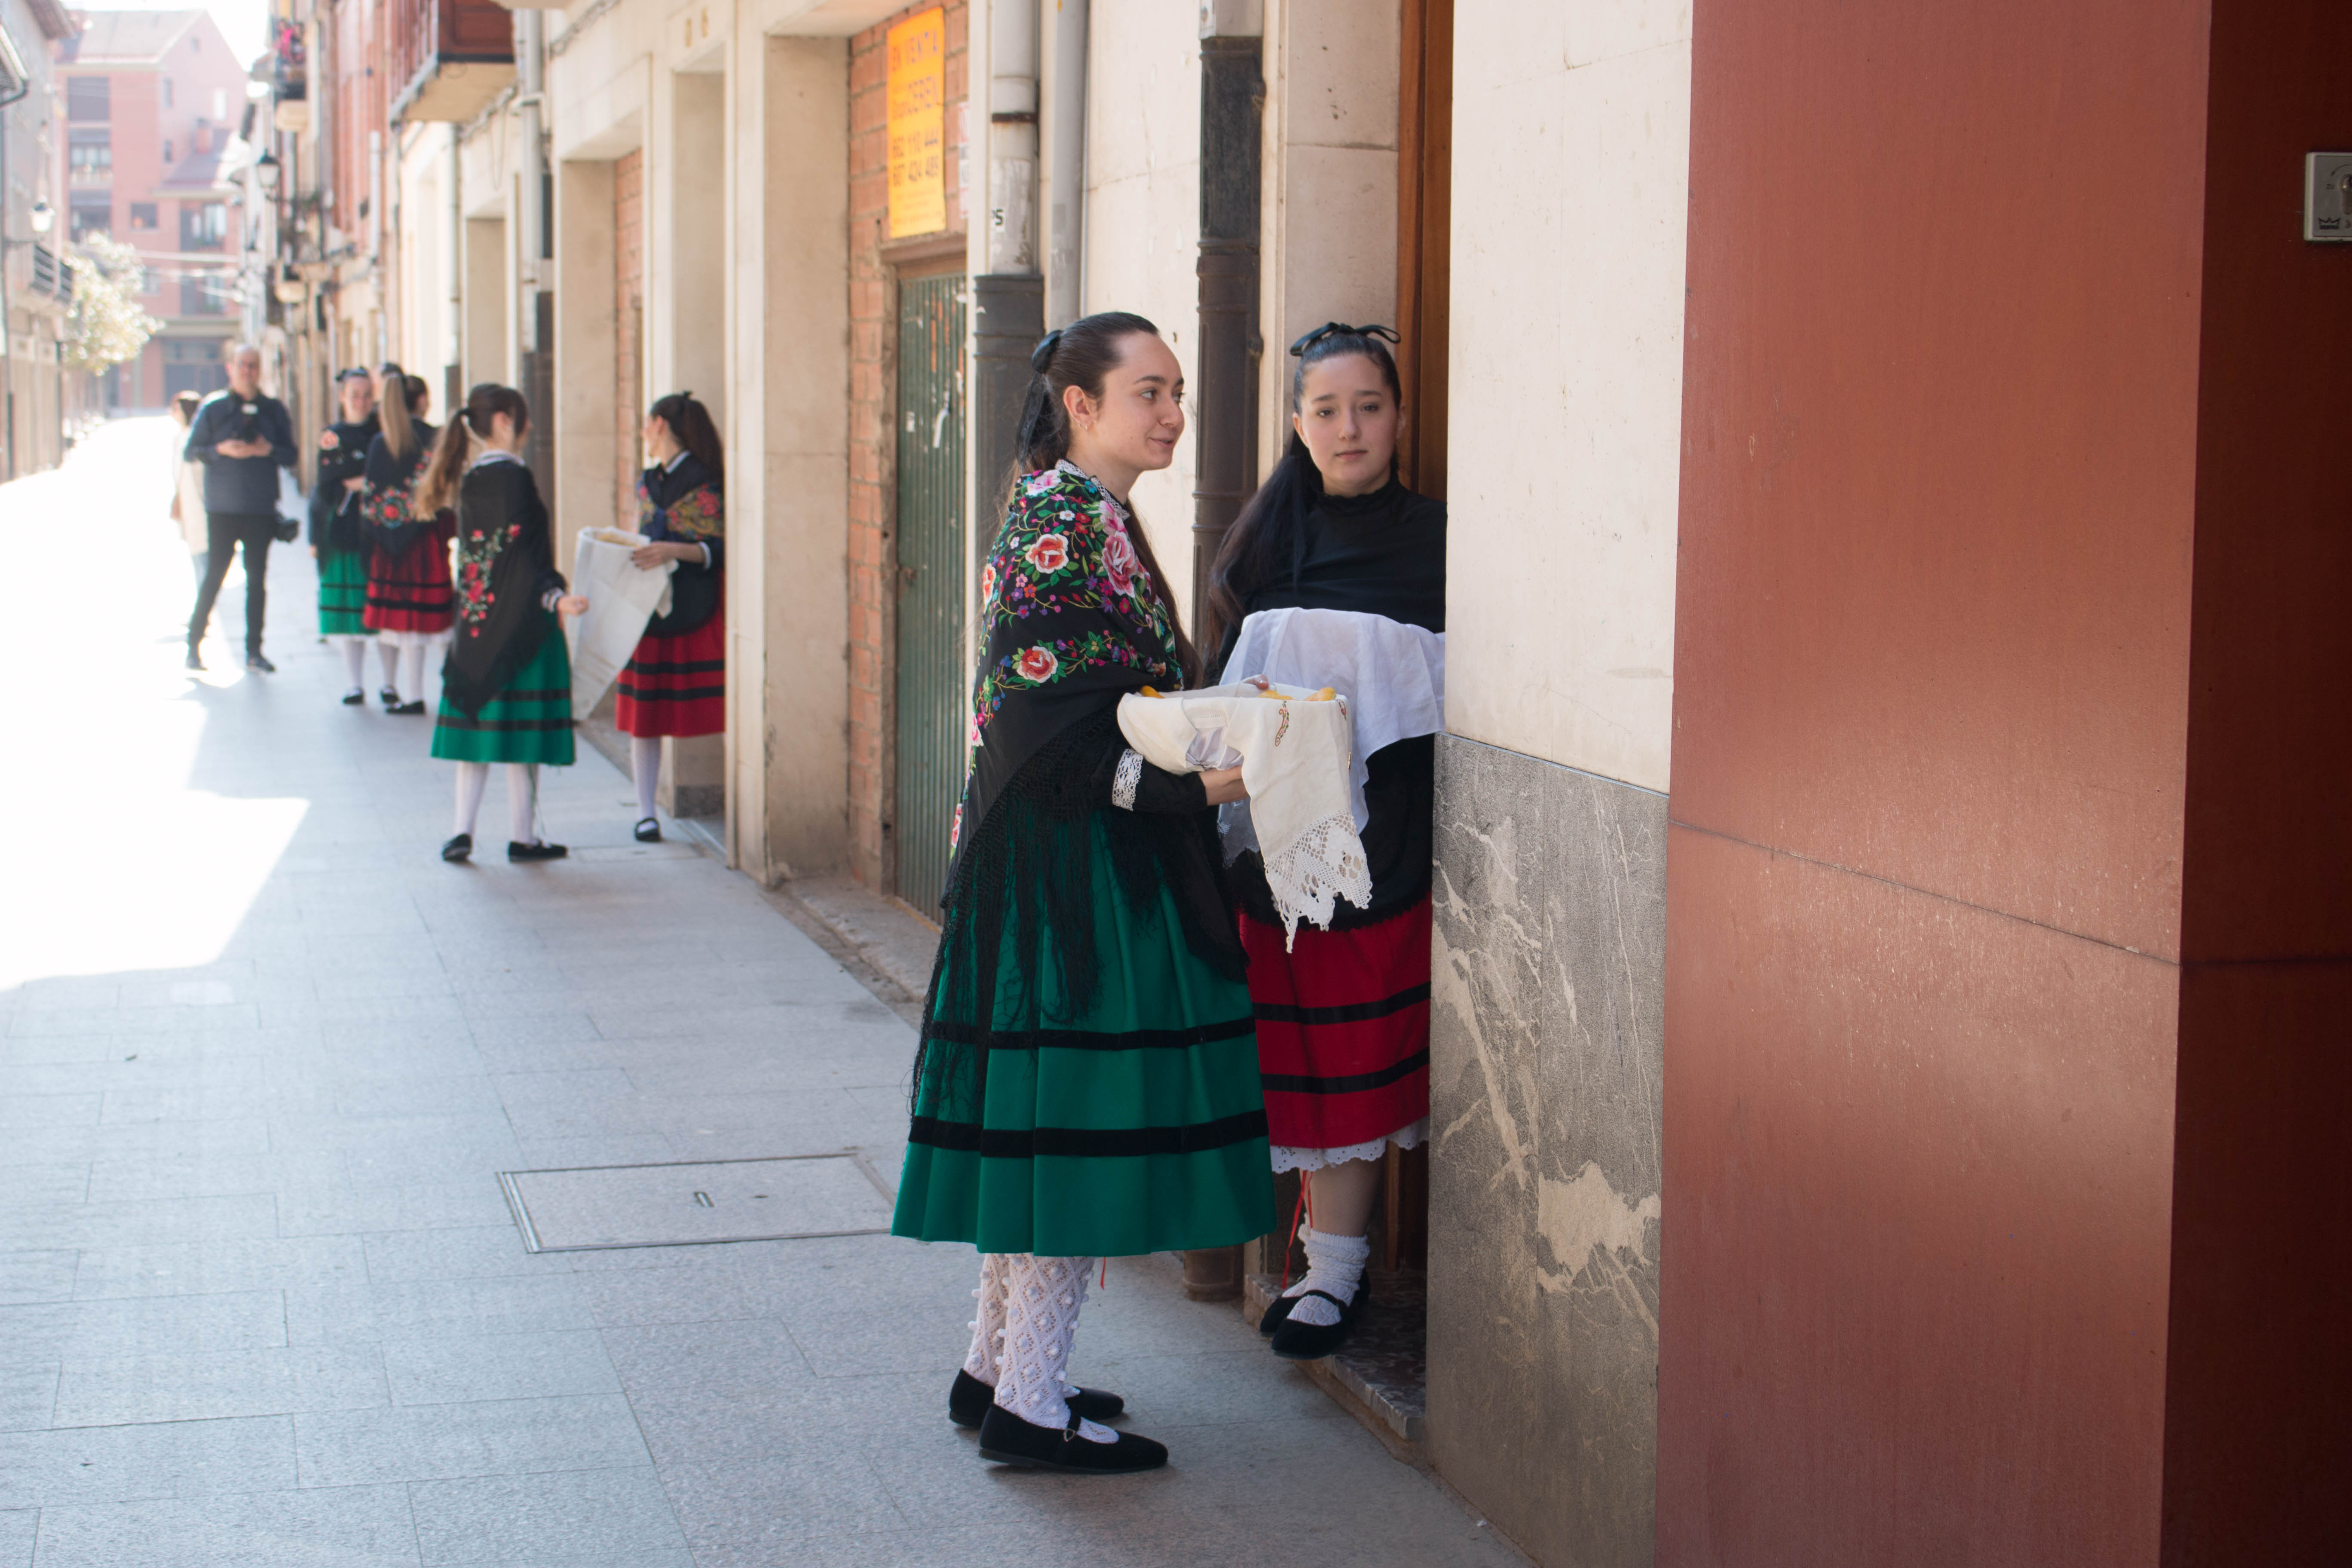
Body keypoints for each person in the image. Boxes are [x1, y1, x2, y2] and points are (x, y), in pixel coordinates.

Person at [891, 312, 1274, 1476]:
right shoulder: (1065, 520)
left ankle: (997, 1369)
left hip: (1060, 862)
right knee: (1071, 1134)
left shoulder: (1080, 509)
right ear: (1082, 404)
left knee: (1042, 1130)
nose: (1172, 412)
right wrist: (1194, 791)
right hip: (1073, 869)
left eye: (1177, 392)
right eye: (1149, 392)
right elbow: (1046, 730)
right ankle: (1031, 1400)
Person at [1206, 323, 1446, 1361]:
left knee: (1363, 1052)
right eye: (1325, 410)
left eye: (1369, 406)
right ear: (1296, 425)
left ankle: (1337, 1271)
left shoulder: (1445, 543)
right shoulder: (1262, 545)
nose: (1349, 428)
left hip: (1390, 848)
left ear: (1399, 414)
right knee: (1294, 1055)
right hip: (1276, 852)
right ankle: (1315, 1261)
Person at [415, 385, 587, 864]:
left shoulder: (470, 480)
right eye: (525, 419)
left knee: (478, 730)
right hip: (521, 626)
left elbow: (485, 558)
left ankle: (461, 832)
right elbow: (528, 557)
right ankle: (523, 837)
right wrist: (556, 597)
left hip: (474, 624)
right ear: (508, 421)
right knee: (520, 738)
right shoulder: (517, 480)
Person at [616, 392, 726, 841]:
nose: (643, 432)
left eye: (646, 423)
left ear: (659, 424)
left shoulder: (706, 480)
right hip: (646, 607)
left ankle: (733, 804)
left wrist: (674, 550)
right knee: (645, 715)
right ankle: (646, 812)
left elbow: (720, 549)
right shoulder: (648, 481)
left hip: (694, 605)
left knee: (715, 706)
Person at [184, 343, 298, 671]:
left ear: (259, 369)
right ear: (230, 368)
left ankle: (254, 652)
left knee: (256, 580)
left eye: (253, 365)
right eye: (242, 365)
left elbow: (291, 455)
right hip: (223, 508)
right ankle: (193, 646)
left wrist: (267, 450)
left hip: (260, 508)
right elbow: (192, 452)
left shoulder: (273, 410)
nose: (248, 371)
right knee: (214, 577)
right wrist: (222, 449)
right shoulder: (214, 408)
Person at [359, 365, 451, 714]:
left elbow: (371, 502)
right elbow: (448, 494)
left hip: (389, 549)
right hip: (428, 543)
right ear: (424, 400)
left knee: (402, 626)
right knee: (434, 624)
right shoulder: (437, 439)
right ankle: (443, 692)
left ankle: (403, 690)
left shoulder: (382, 444)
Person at [310, 367, 383, 704]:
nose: (362, 401)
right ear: (343, 397)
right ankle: (355, 684)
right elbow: (328, 484)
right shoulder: (332, 436)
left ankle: (391, 685)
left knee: (382, 612)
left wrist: (359, 480)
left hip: (382, 531)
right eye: (355, 394)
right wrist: (362, 482)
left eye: (367, 394)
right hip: (344, 531)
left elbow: (388, 477)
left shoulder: (383, 431)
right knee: (351, 614)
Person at [167, 392, 208, 583]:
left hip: (200, 508)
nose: (173, 413)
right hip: (188, 507)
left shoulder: (196, 438)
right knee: (197, 559)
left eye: (176, 408)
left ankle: (206, 606)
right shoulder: (180, 436)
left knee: (205, 562)